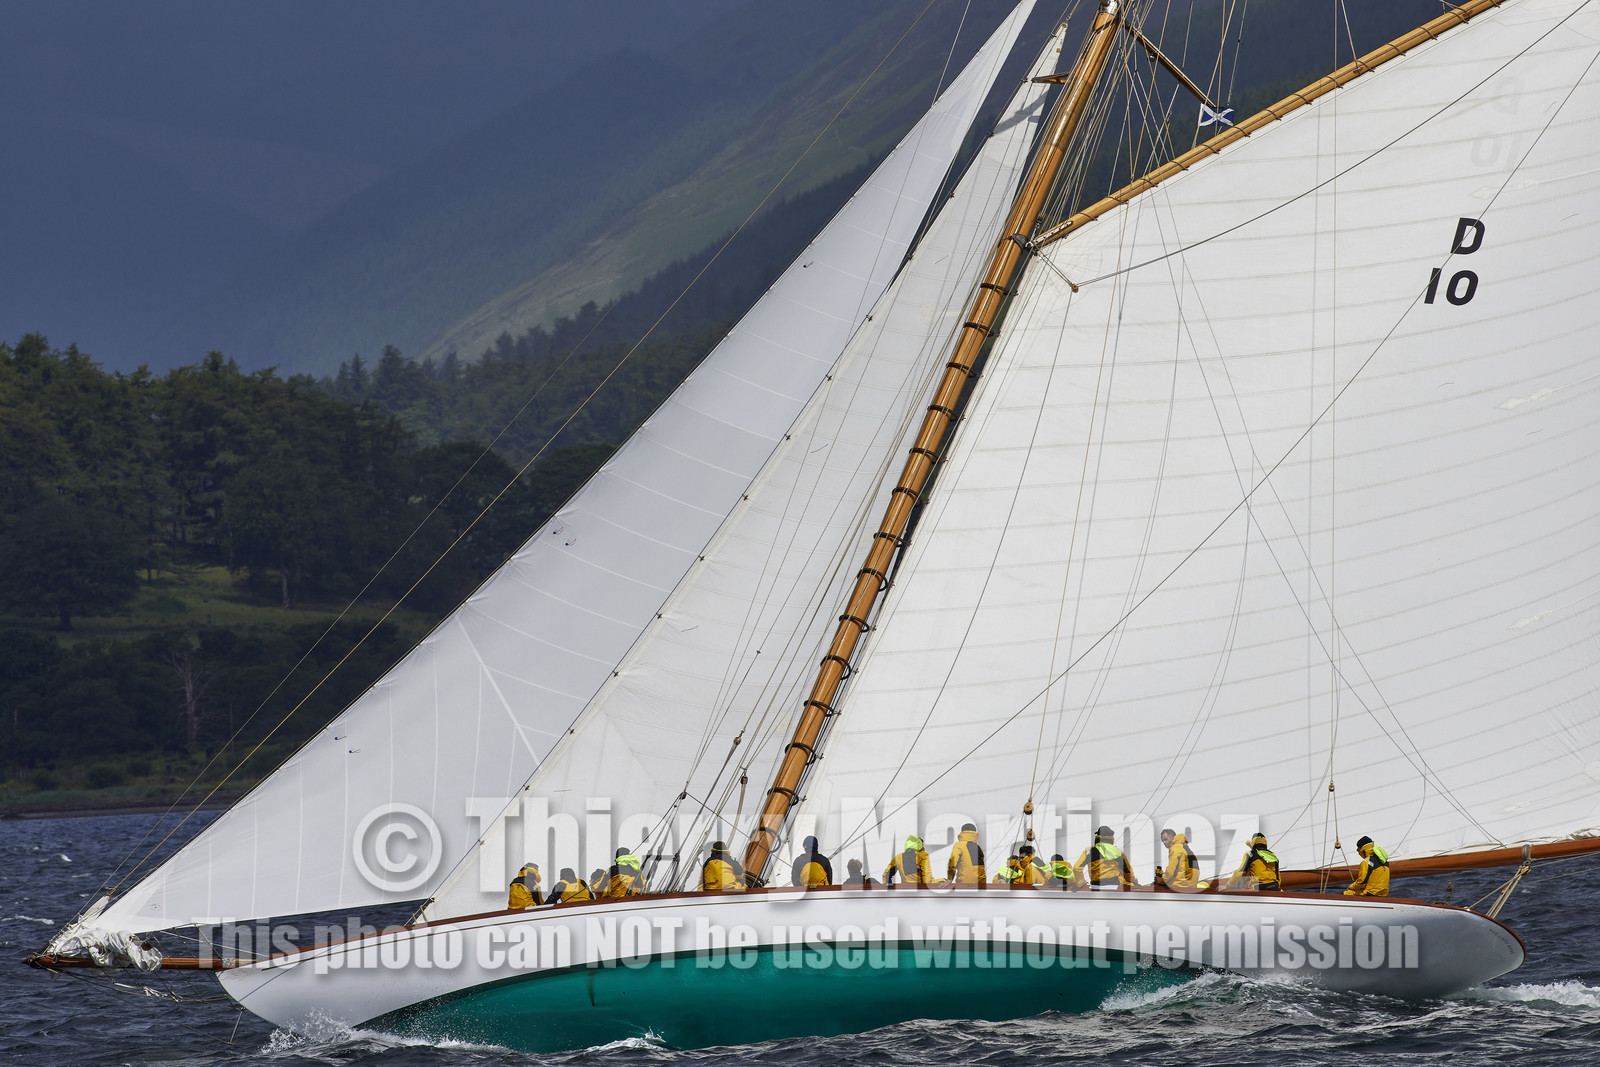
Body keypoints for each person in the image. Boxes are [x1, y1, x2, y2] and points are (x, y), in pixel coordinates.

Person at [1074, 825, 1139, 888]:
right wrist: (1134, 881)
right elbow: (1127, 872)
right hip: (1115, 884)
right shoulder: (1118, 852)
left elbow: (1076, 868)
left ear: (1097, 837)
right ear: (1111, 839)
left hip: (1095, 885)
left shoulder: (1088, 851)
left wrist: (1081, 883)